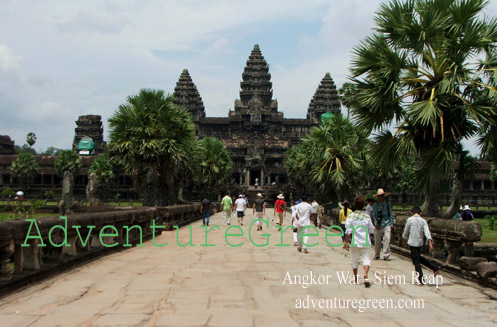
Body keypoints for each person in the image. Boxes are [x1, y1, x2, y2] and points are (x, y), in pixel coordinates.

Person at [402, 206, 439, 286]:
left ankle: (421, 280)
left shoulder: (410, 220)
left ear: (412, 213)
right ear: (420, 213)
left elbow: (406, 231)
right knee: (418, 258)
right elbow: (427, 232)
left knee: (416, 262)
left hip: (412, 243)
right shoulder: (423, 221)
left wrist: (404, 239)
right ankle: (434, 268)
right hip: (419, 243)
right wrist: (430, 242)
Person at [344, 196, 375, 287]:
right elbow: (371, 230)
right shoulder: (366, 216)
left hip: (355, 241)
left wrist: (346, 241)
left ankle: (356, 279)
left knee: (354, 259)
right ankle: (365, 274)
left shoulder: (352, 216)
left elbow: (348, 230)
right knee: (366, 259)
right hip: (365, 241)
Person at [372, 188, 394, 261]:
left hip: (386, 223)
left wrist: (391, 224)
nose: (381, 197)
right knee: (377, 240)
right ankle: (377, 254)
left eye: (382, 195)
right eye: (379, 196)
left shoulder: (387, 204)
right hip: (378, 224)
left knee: (387, 239)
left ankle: (386, 255)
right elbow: (374, 215)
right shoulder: (375, 205)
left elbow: (391, 214)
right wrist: (376, 224)